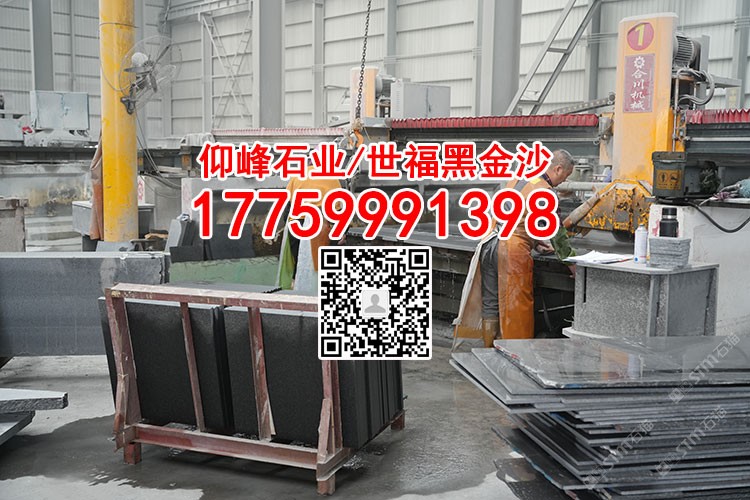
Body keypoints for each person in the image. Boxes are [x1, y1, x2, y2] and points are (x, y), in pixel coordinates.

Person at [495, 149, 576, 340]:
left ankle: (494, 343)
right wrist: (572, 264)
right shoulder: (544, 192)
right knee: (517, 304)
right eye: (566, 176)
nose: (564, 181)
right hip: (514, 249)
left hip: (493, 242)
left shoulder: (521, 178)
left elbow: (516, 214)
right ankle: (517, 349)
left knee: (496, 302)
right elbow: (557, 234)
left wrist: (536, 241)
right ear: (557, 169)